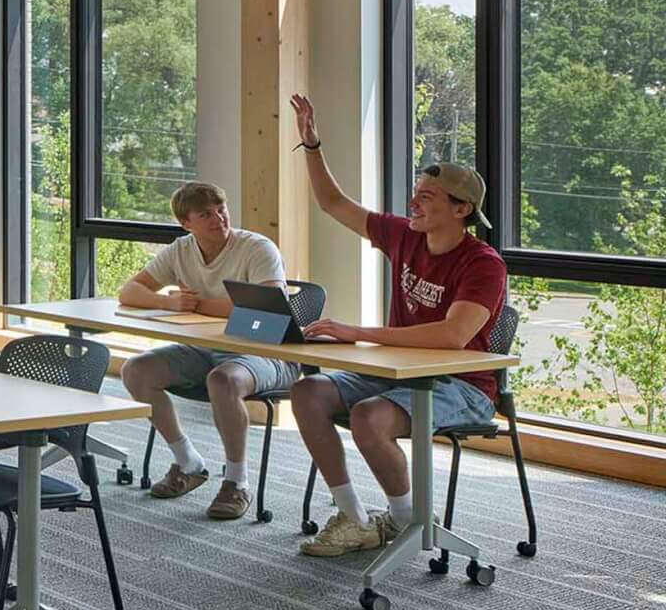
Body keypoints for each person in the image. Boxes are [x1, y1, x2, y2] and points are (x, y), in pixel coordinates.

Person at [286, 93, 508, 558]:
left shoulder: (483, 264)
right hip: (393, 371)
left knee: (370, 417)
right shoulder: (403, 235)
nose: (413, 203)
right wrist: (312, 145)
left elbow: (452, 336)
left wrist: (357, 332)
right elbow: (331, 203)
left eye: (426, 197)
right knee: (308, 392)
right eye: (415, 194)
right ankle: (354, 516)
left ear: (461, 209)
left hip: (461, 385)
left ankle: (407, 520)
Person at [118, 181, 290, 521]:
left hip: (267, 353)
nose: (218, 219)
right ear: (187, 223)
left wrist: (197, 306)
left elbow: (270, 309)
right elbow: (129, 291)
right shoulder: (181, 249)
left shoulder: (257, 248)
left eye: (221, 210)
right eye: (206, 214)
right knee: (135, 370)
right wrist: (167, 301)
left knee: (223, 380)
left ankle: (237, 482)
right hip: (204, 349)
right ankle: (188, 463)